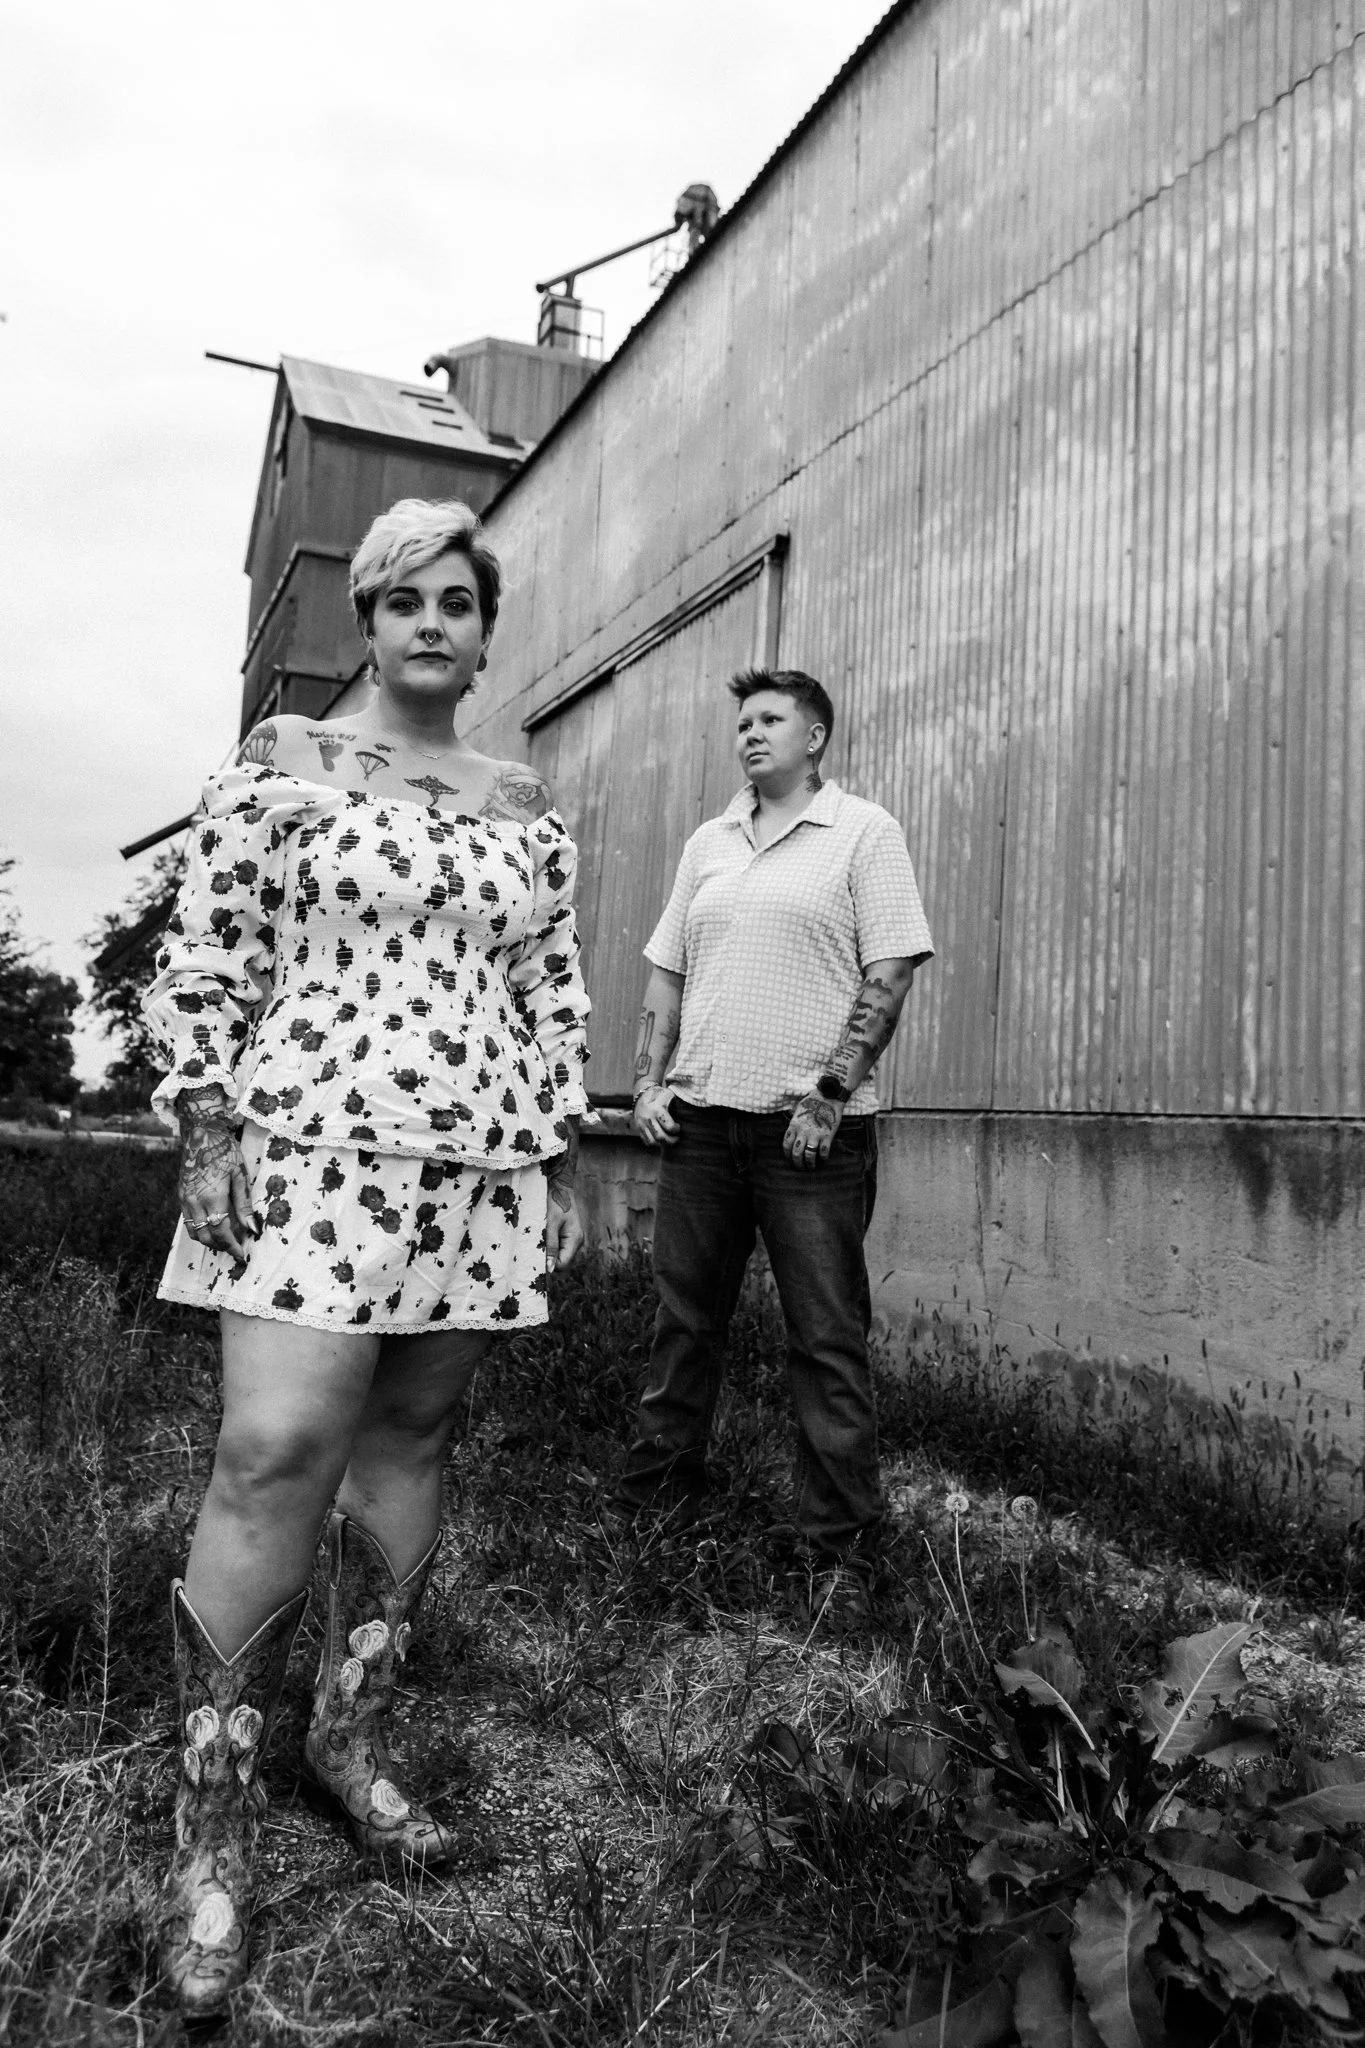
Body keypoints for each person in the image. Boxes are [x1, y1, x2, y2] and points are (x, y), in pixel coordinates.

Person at [141, 498, 590, 2018]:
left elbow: (547, 994)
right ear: (367, 622)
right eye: (403, 601)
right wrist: (206, 1126)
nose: (429, 624)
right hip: (305, 1144)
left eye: (456, 602)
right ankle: (212, 1832)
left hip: (472, 1162)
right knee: (275, 1447)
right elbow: (210, 946)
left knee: (410, 1436)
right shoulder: (280, 773)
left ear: (482, 628)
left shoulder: (526, 809)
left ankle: (350, 1738)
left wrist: (557, 1148)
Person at [618, 667, 932, 1627]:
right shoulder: (708, 843)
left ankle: (835, 1547)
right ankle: (656, 1497)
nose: (749, 735)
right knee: (684, 1320)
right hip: (703, 1125)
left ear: (816, 738)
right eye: (741, 723)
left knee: (825, 1339)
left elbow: (891, 967)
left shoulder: (863, 833)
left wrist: (830, 1094)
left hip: (810, 1133)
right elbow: (668, 970)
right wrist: (645, 1083)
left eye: (770, 721)